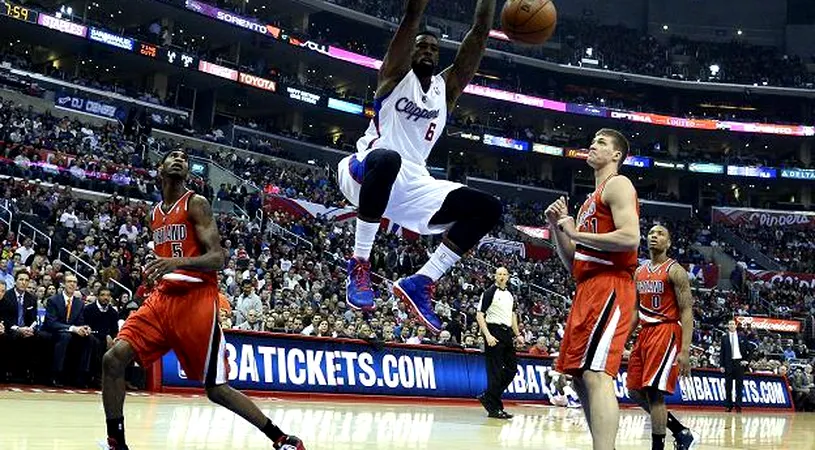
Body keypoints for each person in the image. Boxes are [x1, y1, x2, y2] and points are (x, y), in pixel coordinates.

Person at [100, 149, 305, 450]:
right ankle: (116, 443)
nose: (180, 158)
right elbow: (169, 256)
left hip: (196, 300)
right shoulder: (154, 213)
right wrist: (160, 269)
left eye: (184, 157)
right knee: (113, 359)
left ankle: (282, 438)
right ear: (160, 169)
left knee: (216, 389)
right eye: (172, 155)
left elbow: (218, 258)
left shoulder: (196, 203)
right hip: (162, 299)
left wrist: (176, 264)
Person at [337, 0, 502, 334]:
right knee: (388, 158)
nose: (427, 50)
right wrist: (415, 15)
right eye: (421, 45)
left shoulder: (447, 89)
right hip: (365, 169)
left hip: (413, 184)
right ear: (409, 51)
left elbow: (479, 35)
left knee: (489, 208)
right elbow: (413, 14)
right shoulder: (395, 76)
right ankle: (360, 263)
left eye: (433, 48)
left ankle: (421, 281)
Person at [545, 128, 640, 450]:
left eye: (601, 142)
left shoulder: (618, 184)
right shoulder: (588, 202)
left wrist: (574, 232)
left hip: (612, 284)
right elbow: (574, 262)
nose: (592, 144)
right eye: (593, 140)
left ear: (616, 155)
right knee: (579, 375)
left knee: (598, 373)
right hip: (587, 286)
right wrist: (557, 229)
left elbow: (630, 238)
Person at [626, 225, 698, 450]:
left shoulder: (675, 270)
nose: (654, 237)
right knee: (634, 390)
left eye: (660, 234)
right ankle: (680, 432)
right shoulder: (639, 271)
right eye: (650, 234)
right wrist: (623, 338)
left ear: (668, 243)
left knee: (654, 393)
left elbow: (687, 311)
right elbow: (636, 310)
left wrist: (685, 350)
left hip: (666, 331)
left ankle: (658, 447)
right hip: (645, 333)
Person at [475, 267, 523, 418]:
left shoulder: (510, 294)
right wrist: (487, 335)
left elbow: (512, 315)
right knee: (494, 371)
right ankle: (495, 408)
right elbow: (479, 314)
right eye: (499, 274)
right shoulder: (489, 292)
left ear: (508, 277)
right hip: (493, 331)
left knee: (512, 368)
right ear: (495, 276)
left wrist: (518, 334)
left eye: (504, 274)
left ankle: (489, 397)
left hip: (506, 332)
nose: (502, 276)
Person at [43, 272, 92, 387]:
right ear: (63, 284)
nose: (72, 284)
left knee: (89, 338)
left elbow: (80, 322)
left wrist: (85, 328)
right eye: (69, 282)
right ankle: (57, 374)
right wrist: (72, 328)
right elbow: (51, 323)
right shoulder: (53, 300)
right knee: (65, 336)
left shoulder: (79, 303)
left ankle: (82, 376)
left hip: (71, 332)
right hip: (53, 331)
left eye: (74, 282)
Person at [720, 319, 752, 412]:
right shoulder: (724, 337)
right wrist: (722, 365)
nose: (731, 326)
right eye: (730, 324)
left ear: (736, 326)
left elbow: (751, 350)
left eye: (733, 324)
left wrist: (746, 361)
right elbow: (722, 352)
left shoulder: (742, 336)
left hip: (739, 363)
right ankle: (728, 405)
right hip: (728, 364)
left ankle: (738, 406)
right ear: (727, 326)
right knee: (728, 387)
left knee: (739, 386)